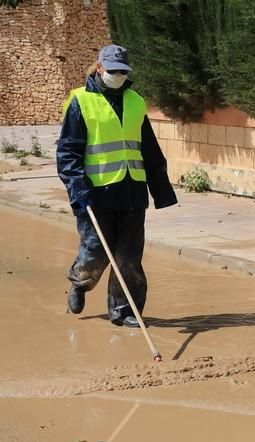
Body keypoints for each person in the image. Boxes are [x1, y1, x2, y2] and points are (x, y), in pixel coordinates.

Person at [57, 44, 177, 327]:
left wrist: (160, 190)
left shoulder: (135, 101)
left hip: (131, 190)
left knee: (129, 256)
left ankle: (124, 310)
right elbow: (68, 153)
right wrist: (78, 191)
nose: (118, 75)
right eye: (112, 70)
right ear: (99, 68)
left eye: (123, 71)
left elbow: (149, 149)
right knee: (96, 251)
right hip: (94, 193)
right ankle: (80, 283)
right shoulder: (80, 101)